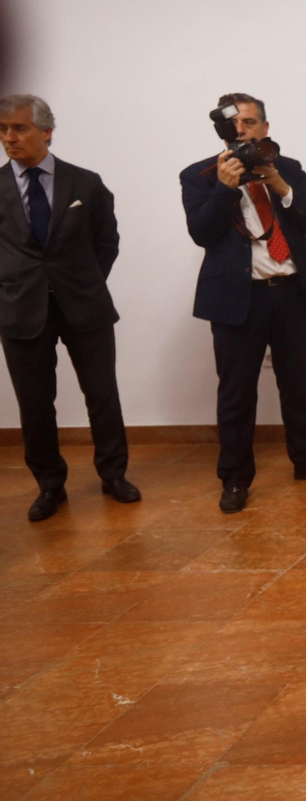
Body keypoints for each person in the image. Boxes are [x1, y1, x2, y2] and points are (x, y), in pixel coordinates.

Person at [179, 93, 306, 514]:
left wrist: (284, 189)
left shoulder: (286, 168)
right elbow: (202, 233)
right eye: (236, 126)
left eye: (251, 123)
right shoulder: (199, 175)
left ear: (265, 128)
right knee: (236, 395)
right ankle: (235, 479)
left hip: (290, 292)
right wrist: (224, 189)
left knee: (297, 385)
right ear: (223, 132)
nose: (244, 131)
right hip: (239, 299)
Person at [0, 94, 138, 521]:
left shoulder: (86, 183)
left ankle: (113, 475)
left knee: (101, 395)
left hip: (85, 306)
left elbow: (107, 241)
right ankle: (49, 485)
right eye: (3, 130)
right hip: (21, 311)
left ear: (46, 131)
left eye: (19, 128)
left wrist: (86, 282)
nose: (9, 138)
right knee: (35, 403)